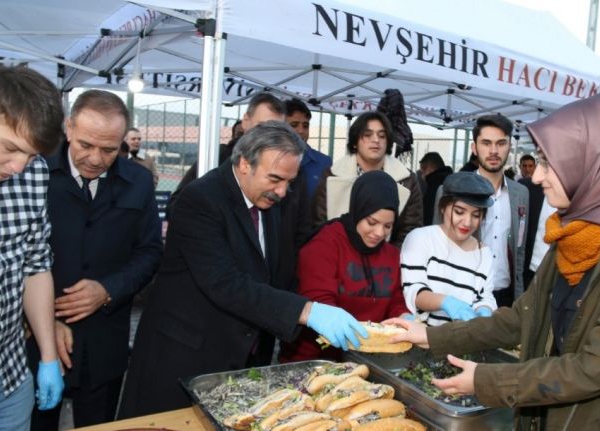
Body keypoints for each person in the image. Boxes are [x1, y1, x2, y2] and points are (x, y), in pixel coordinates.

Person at [386, 92, 600, 430]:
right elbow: (520, 320)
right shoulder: (572, 236)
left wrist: (489, 380)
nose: (537, 177)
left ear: (596, 164)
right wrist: (432, 337)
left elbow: (595, 368)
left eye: (549, 164)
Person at [119, 121, 368, 418]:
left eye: (289, 181)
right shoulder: (200, 199)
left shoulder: (270, 203)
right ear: (244, 164)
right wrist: (307, 311)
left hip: (240, 360)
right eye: (275, 179)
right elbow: (225, 283)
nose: (282, 191)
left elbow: (275, 274)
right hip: (185, 359)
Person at [27, 90, 162, 429]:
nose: (96, 159)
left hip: (105, 343)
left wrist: (108, 290)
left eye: (109, 149)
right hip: (34, 343)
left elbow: (149, 252)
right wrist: (40, 323)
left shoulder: (139, 182)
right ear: (68, 128)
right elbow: (14, 257)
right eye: (86, 145)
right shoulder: (32, 173)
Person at [280, 171, 409, 362]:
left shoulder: (391, 254)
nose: (379, 233)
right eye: (371, 222)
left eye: (388, 226)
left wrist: (404, 316)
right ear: (358, 211)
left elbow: (396, 298)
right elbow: (318, 301)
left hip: (368, 358)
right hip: (314, 359)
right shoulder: (325, 243)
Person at [0, 65, 64, 431]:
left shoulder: (33, 171)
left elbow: (36, 267)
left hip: (9, 375)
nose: (19, 165)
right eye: (10, 149)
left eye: (30, 154)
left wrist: (48, 357)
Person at [166, 92, 286, 218]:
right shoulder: (217, 156)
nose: (267, 136)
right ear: (245, 121)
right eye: (261, 126)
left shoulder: (286, 172)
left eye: (275, 130)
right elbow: (176, 206)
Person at [312, 111, 423, 247]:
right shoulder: (332, 175)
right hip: (337, 255)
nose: (376, 140)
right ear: (354, 142)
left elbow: (410, 230)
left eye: (382, 135)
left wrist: (389, 258)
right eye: (367, 135)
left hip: (386, 261)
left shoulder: (407, 180)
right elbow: (319, 223)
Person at [401, 172, 497, 326]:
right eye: (459, 212)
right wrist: (446, 302)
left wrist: (484, 310)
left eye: (476, 215)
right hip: (421, 336)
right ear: (443, 207)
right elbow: (414, 292)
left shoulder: (484, 254)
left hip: (462, 341)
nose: (467, 222)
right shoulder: (420, 239)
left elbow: (485, 296)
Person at [468, 114, 528, 307]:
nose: (494, 151)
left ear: (509, 147)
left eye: (501, 143)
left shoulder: (521, 194)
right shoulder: (451, 190)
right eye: (486, 143)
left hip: (506, 297)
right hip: (466, 294)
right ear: (474, 148)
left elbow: (520, 248)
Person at [285, 98, 332, 199]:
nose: (301, 130)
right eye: (294, 125)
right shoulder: (269, 160)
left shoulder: (324, 163)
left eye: (305, 126)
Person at [518, 154, 545, 287]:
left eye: (530, 166)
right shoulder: (517, 187)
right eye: (525, 166)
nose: (528, 169)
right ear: (520, 167)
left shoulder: (543, 190)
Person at [418, 152, 453, 226]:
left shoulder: (433, 183)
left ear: (428, 168)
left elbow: (428, 214)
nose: (422, 176)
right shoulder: (452, 180)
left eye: (422, 171)